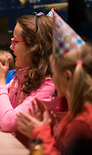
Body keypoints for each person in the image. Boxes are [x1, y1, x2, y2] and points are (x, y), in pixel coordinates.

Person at [16, 11, 92, 155]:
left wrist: (40, 133)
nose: (52, 79)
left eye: (54, 73)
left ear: (68, 77)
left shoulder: (82, 123)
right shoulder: (73, 114)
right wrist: (50, 129)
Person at [0, 13, 58, 135]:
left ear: (33, 47)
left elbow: (8, 123)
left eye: (16, 41)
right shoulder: (21, 76)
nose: (11, 46)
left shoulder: (48, 86)